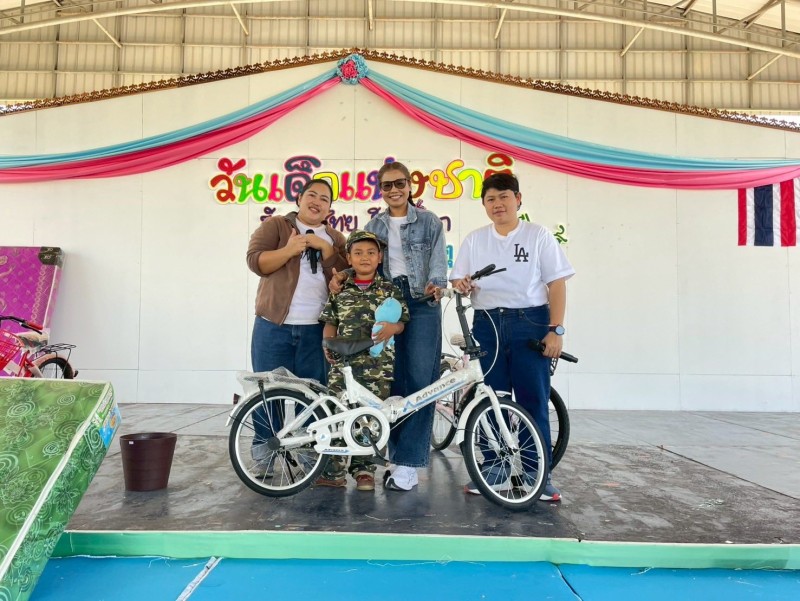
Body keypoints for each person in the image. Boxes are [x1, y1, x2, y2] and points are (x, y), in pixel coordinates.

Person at [450, 172, 574, 502]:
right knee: (490, 397)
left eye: (504, 196)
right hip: (486, 323)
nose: (498, 204)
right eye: (490, 199)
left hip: (530, 322)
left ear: (518, 199)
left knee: (533, 398)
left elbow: (557, 284)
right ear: (484, 205)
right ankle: (493, 469)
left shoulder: (538, 235)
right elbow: (458, 280)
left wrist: (556, 330)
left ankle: (537, 475)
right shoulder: (475, 239)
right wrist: (461, 284)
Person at [333, 161, 448, 491]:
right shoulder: (374, 225)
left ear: (410, 185)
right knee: (390, 380)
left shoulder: (429, 221)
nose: (394, 190)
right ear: (380, 190)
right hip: (386, 303)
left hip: (422, 302)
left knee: (421, 382)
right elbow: (362, 260)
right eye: (387, 185)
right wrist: (342, 276)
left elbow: (438, 261)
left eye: (400, 183)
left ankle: (408, 464)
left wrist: (437, 284)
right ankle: (395, 456)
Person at [246, 179, 348, 475]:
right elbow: (256, 262)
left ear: (329, 209)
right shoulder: (276, 226)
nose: (317, 201)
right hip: (272, 326)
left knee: (313, 397)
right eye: (311, 195)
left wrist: (327, 250)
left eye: (324, 199)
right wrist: (290, 249)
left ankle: (309, 457)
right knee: (268, 393)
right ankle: (264, 455)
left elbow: (346, 277)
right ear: (299, 199)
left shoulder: (335, 238)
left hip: (316, 330)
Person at [317, 230, 409, 491]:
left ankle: (364, 471)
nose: (364, 257)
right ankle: (333, 471)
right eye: (358, 253)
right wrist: (327, 342)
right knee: (337, 412)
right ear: (349, 258)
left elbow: (402, 322)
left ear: (380, 258)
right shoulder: (339, 289)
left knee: (372, 418)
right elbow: (330, 320)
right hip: (343, 366)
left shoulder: (390, 290)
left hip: (377, 367)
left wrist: (393, 328)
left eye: (370, 252)